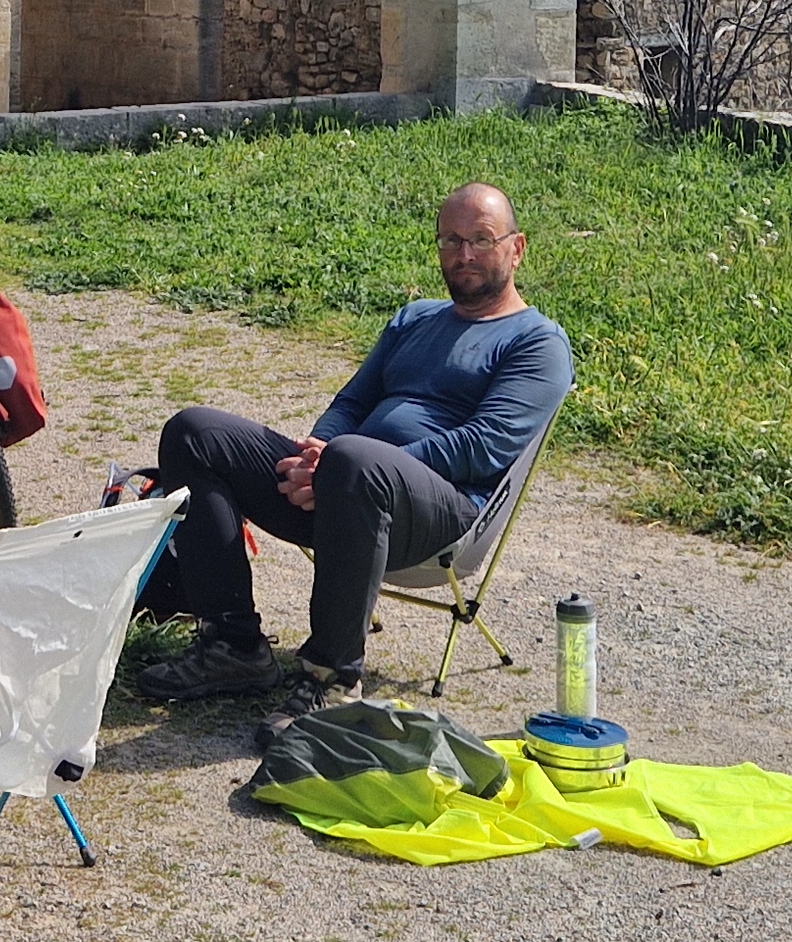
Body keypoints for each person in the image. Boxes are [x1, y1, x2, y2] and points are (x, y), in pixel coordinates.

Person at [133, 182, 571, 722]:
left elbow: (483, 447)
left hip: (440, 515)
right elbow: (353, 400)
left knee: (356, 461)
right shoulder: (415, 319)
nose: (465, 255)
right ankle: (234, 645)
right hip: (342, 489)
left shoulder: (537, 342)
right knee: (194, 432)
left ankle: (332, 679)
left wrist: (345, 462)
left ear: (517, 247)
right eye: (451, 240)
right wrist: (319, 450)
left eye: (482, 240)